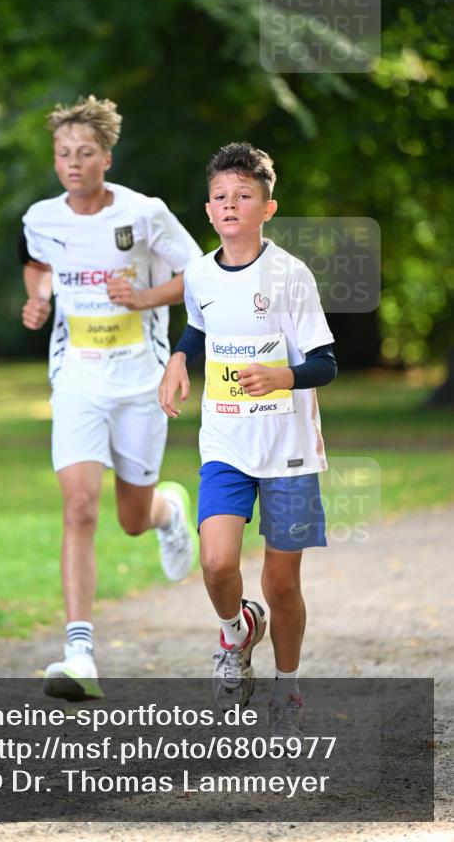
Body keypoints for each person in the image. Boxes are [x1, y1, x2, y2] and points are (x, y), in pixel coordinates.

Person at [20, 95, 202, 701]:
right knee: (78, 508)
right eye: (63, 154)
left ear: (107, 157)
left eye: (85, 153)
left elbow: (200, 275)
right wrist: (41, 295)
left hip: (138, 381)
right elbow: (38, 262)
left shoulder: (144, 213)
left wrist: (144, 300)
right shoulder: (42, 217)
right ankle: (79, 653)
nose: (73, 163)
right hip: (77, 380)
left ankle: (167, 512)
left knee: (129, 518)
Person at [159, 142, 336, 736]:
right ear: (207, 211)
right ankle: (237, 633)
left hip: (287, 450)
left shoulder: (290, 276)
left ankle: (287, 691)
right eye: (220, 197)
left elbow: (326, 363)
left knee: (282, 583)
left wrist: (283, 376)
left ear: (267, 207)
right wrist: (180, 359)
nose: (230, 204)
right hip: (227, 444)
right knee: (216, 564)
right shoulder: (201, 274)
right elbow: (200, 323)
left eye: (244, 195)